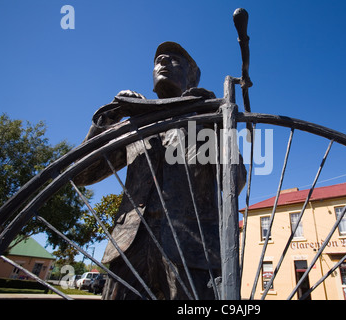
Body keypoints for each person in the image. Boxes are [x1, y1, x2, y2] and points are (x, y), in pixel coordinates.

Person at [74, 42, 246, 299]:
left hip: (193, 247)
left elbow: (234, 182)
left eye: (175, 59)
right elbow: (83, 175)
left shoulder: (204, 122)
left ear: (192, 74)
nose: (163, 61)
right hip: (130, 244)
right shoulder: (135, 125)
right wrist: (109, 118)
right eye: (158, 60)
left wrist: (219, 125)